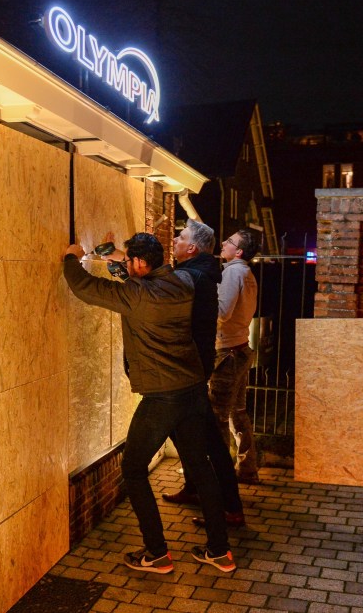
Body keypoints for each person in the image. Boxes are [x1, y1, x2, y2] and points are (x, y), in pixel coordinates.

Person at [63, 233, 236, 574]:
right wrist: (120, 261)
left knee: (133, 468)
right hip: (191, 388)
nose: (127, 266)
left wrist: (72, 256)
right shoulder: (182, 281)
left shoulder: (137, 295)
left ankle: (156, 552)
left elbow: (84, 287)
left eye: (130, 262)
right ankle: (220, 551)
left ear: (141, 263)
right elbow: (143, 283)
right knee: (200, 468)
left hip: (163, 395)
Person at [163, 220, 245, 528]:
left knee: (208, 443)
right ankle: (199, 490)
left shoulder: (191, 276)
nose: (175, 239)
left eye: (181, 237)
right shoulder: (198, 274)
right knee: (195, 437)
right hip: (192, 368)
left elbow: (154, 289)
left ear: (192, 248)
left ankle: (228, 511)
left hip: (187, 371)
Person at [211, 229, 261, 483]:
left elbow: (221, 312)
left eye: (229, 241)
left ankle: (220, 476)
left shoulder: (232, 272)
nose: (223, 243)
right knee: (238, 412)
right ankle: (248, 469)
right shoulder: (248, 274)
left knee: (218, 416)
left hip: (227, 353)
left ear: (239, 251)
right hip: (241, 349)